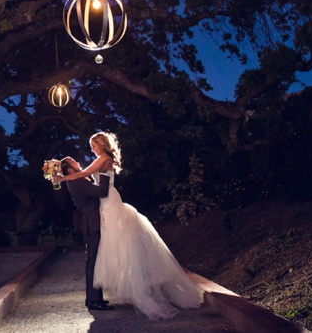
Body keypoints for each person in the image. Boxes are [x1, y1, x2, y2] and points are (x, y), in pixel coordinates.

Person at [53, 132, 202, 320]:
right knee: (114, 249)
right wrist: (63, 178)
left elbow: (88, 177)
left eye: (93, 145)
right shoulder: (93, 167)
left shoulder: (102, 159)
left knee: (121, 246)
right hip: (105, 204)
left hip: (109, 203)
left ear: (100, 144)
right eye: (91, 145)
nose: (91, 149)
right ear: (69, 170)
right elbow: (91, 181)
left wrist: (63, 178)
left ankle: (101, 297)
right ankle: (95, 298)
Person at [58, 157, 114, 311]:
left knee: (94, 261)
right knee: (94, 262)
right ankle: (94, 301)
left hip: (91, 222)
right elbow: (102, 192)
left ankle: (94, 299)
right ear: (69, 170)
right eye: (74, 162)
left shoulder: (75, 181)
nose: (77, 163)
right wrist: (103, 173)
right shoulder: (77, 182)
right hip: (92, 223)